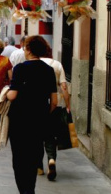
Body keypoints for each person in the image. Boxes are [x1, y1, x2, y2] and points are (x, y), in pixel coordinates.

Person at [6, 35, 58, 194]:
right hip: (39, 121)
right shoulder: (48, 70)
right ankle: (30, 189)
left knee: (19, 160)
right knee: (33, 158)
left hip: (19, 122)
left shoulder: (20, 68)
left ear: (28, 50)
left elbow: (12, 95)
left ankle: (25, 191)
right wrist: (43, 113)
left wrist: (6, 93)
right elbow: (54, 101)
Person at [40, 47, 71, 180]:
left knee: (37, 136)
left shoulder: (35, 64)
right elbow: (64, 87)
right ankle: (51, 160)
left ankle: (38, 167)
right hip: (56, 105)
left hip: (38, 106)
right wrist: (68, 105)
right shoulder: (57, 65)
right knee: (51, 136)